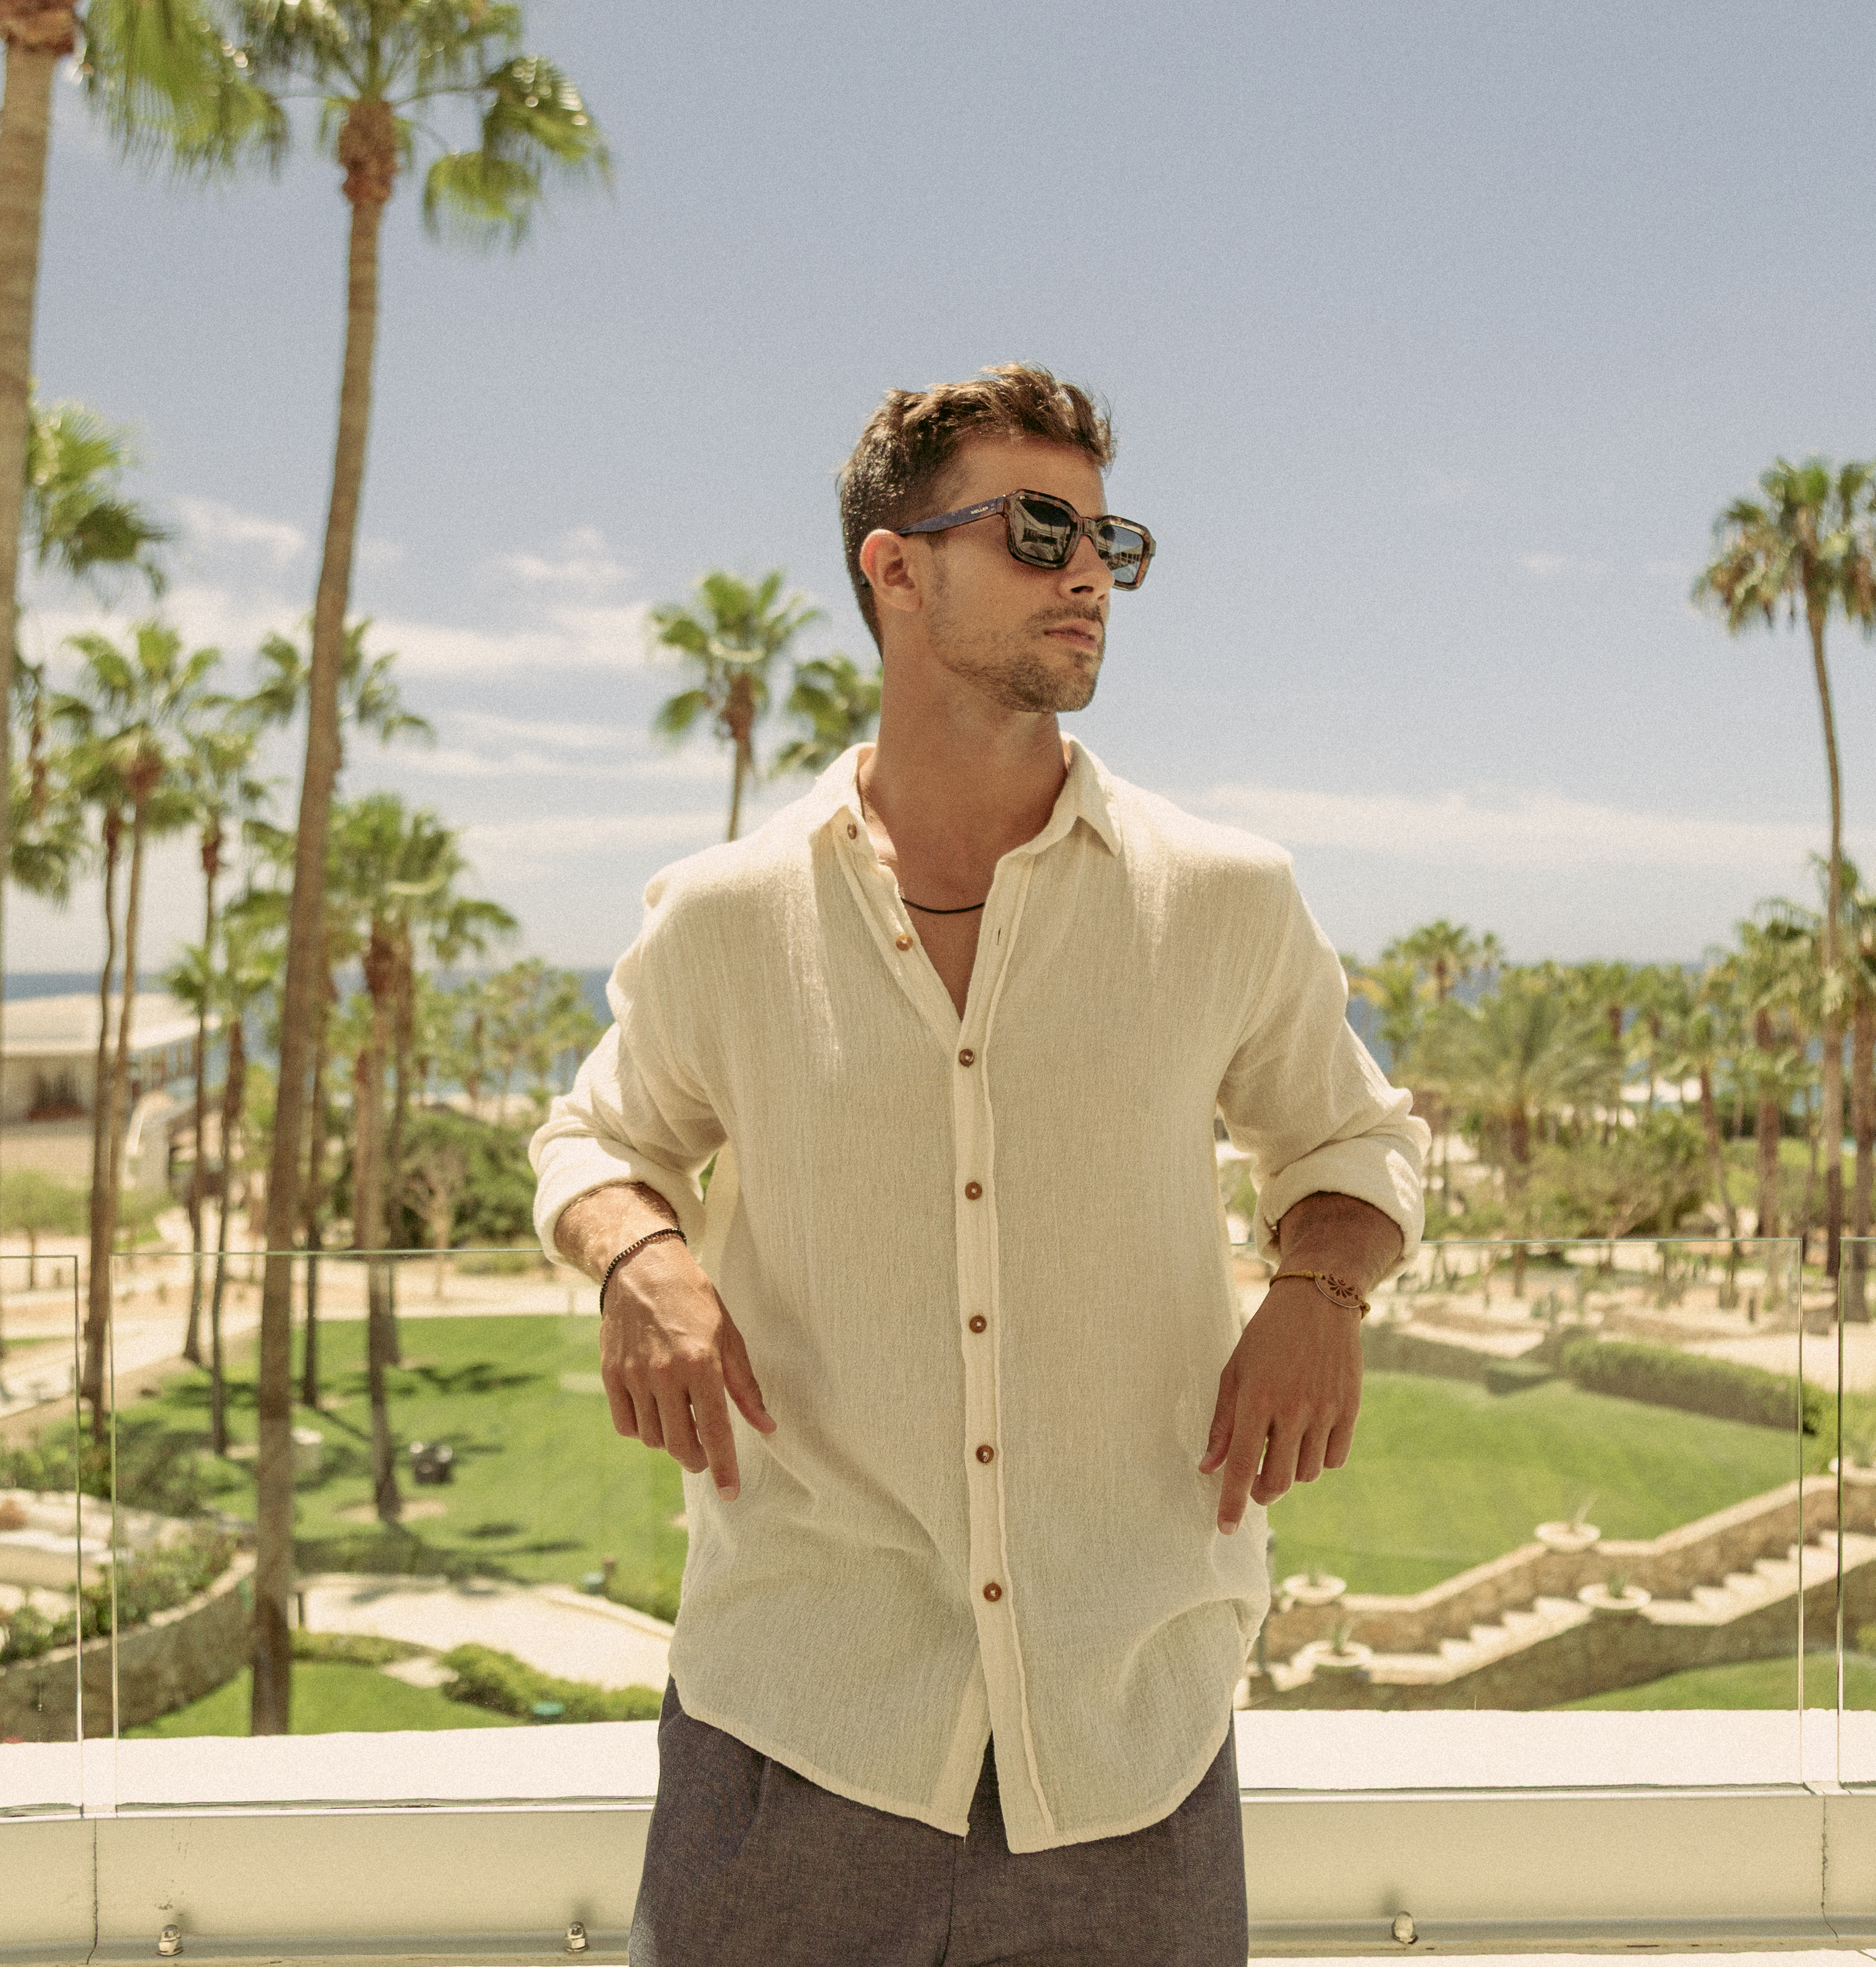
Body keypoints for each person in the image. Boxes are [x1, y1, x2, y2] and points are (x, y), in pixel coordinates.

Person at [531, 363, 1426, 1967]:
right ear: (894, 567)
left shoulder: (1224, 895)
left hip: (1126, 1737)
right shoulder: (726, 915)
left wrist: (1318, 1285)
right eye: (1035, 530)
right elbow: (597, 1133)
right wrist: (634, 1256)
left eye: (1106, 539)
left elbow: (1352, 1137)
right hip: (794, 1722)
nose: (1086, 574)